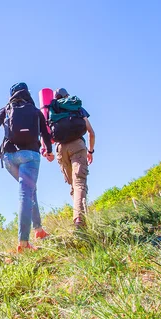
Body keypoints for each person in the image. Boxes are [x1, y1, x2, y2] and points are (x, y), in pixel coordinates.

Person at [0, 82, 53, 252]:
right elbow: (45, 133)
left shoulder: (7, 109)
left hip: (9, 157)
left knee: (30, 190)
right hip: (30, 156)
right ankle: (24, 243)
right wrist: (49, 151)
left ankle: (39, 230)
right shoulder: (35, 111)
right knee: (26, 193)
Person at [48, 88, 95, 229]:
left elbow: (49, 136)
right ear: (67, 96)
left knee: (73, 186)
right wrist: (90, 151)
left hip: (61, 149)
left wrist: (47, 150)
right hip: (78, 145)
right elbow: (91, 132)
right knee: (80, 182)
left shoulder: (52, 108)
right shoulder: (76, 107)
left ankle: (81, 220)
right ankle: (79, 220)